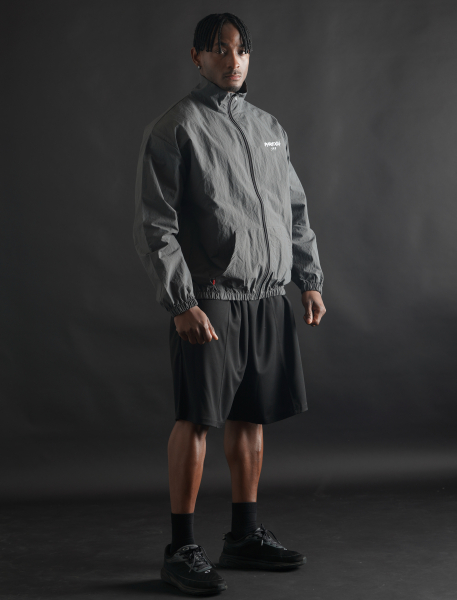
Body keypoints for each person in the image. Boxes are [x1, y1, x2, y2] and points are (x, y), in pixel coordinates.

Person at [134, 12, 326, 596]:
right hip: (211, 298)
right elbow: (156, 226)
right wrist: (181, 302)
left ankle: (244, 535)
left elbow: (294, 209)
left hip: (267, 297)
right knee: (196, 417)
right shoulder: (177, 128)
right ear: (197, 56)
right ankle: (181, 548)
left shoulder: (269, 127)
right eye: (219, 49)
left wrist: (309, 279)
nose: (232, 60)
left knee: (251, 416)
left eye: (241, 50)